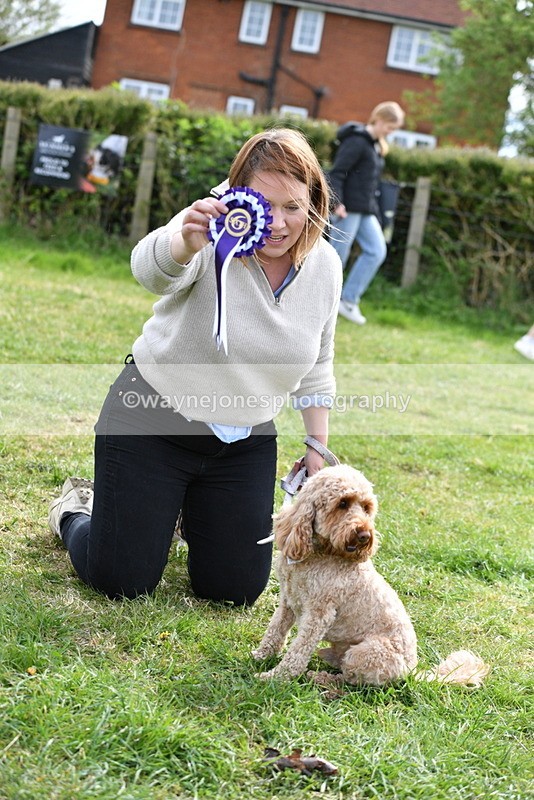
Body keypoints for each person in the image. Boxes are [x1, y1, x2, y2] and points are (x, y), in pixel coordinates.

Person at [48, 128, 342, 606]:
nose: (277, 222)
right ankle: (75, 511)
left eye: (292, 207)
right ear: (239, 193)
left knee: (234, 590)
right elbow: (149, 271)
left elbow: (319, 359)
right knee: (122, 580)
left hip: (243, 442)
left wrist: (317, 445)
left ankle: (183, 513)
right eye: (266, 205)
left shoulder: (325, 265)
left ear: (313, 202)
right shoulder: (209, 231)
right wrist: (183, 240)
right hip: (152, 419)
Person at [327, 101, 405, 324]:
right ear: (379, 119)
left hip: (365, 210)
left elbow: (370, 184)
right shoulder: (356, 141)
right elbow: (337, 173)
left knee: (377, 251)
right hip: (347, 209)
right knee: (336, 258)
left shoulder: (375, 146)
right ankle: (320, 302)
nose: (391, 132)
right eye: (390, 127)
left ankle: (348, 300)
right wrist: (336, 202)